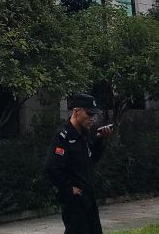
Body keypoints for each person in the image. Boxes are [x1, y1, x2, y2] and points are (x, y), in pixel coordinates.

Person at [44, 93, 114, 234]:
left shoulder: (83, 134)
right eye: (89, 114)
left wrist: (100, 139)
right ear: (76, 111)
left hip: (88, 196)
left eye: (93, 115)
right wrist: (68, 188)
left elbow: (91, 159)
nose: (92, 118)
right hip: (75, 200)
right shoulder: (63, 135)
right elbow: (52, 167)